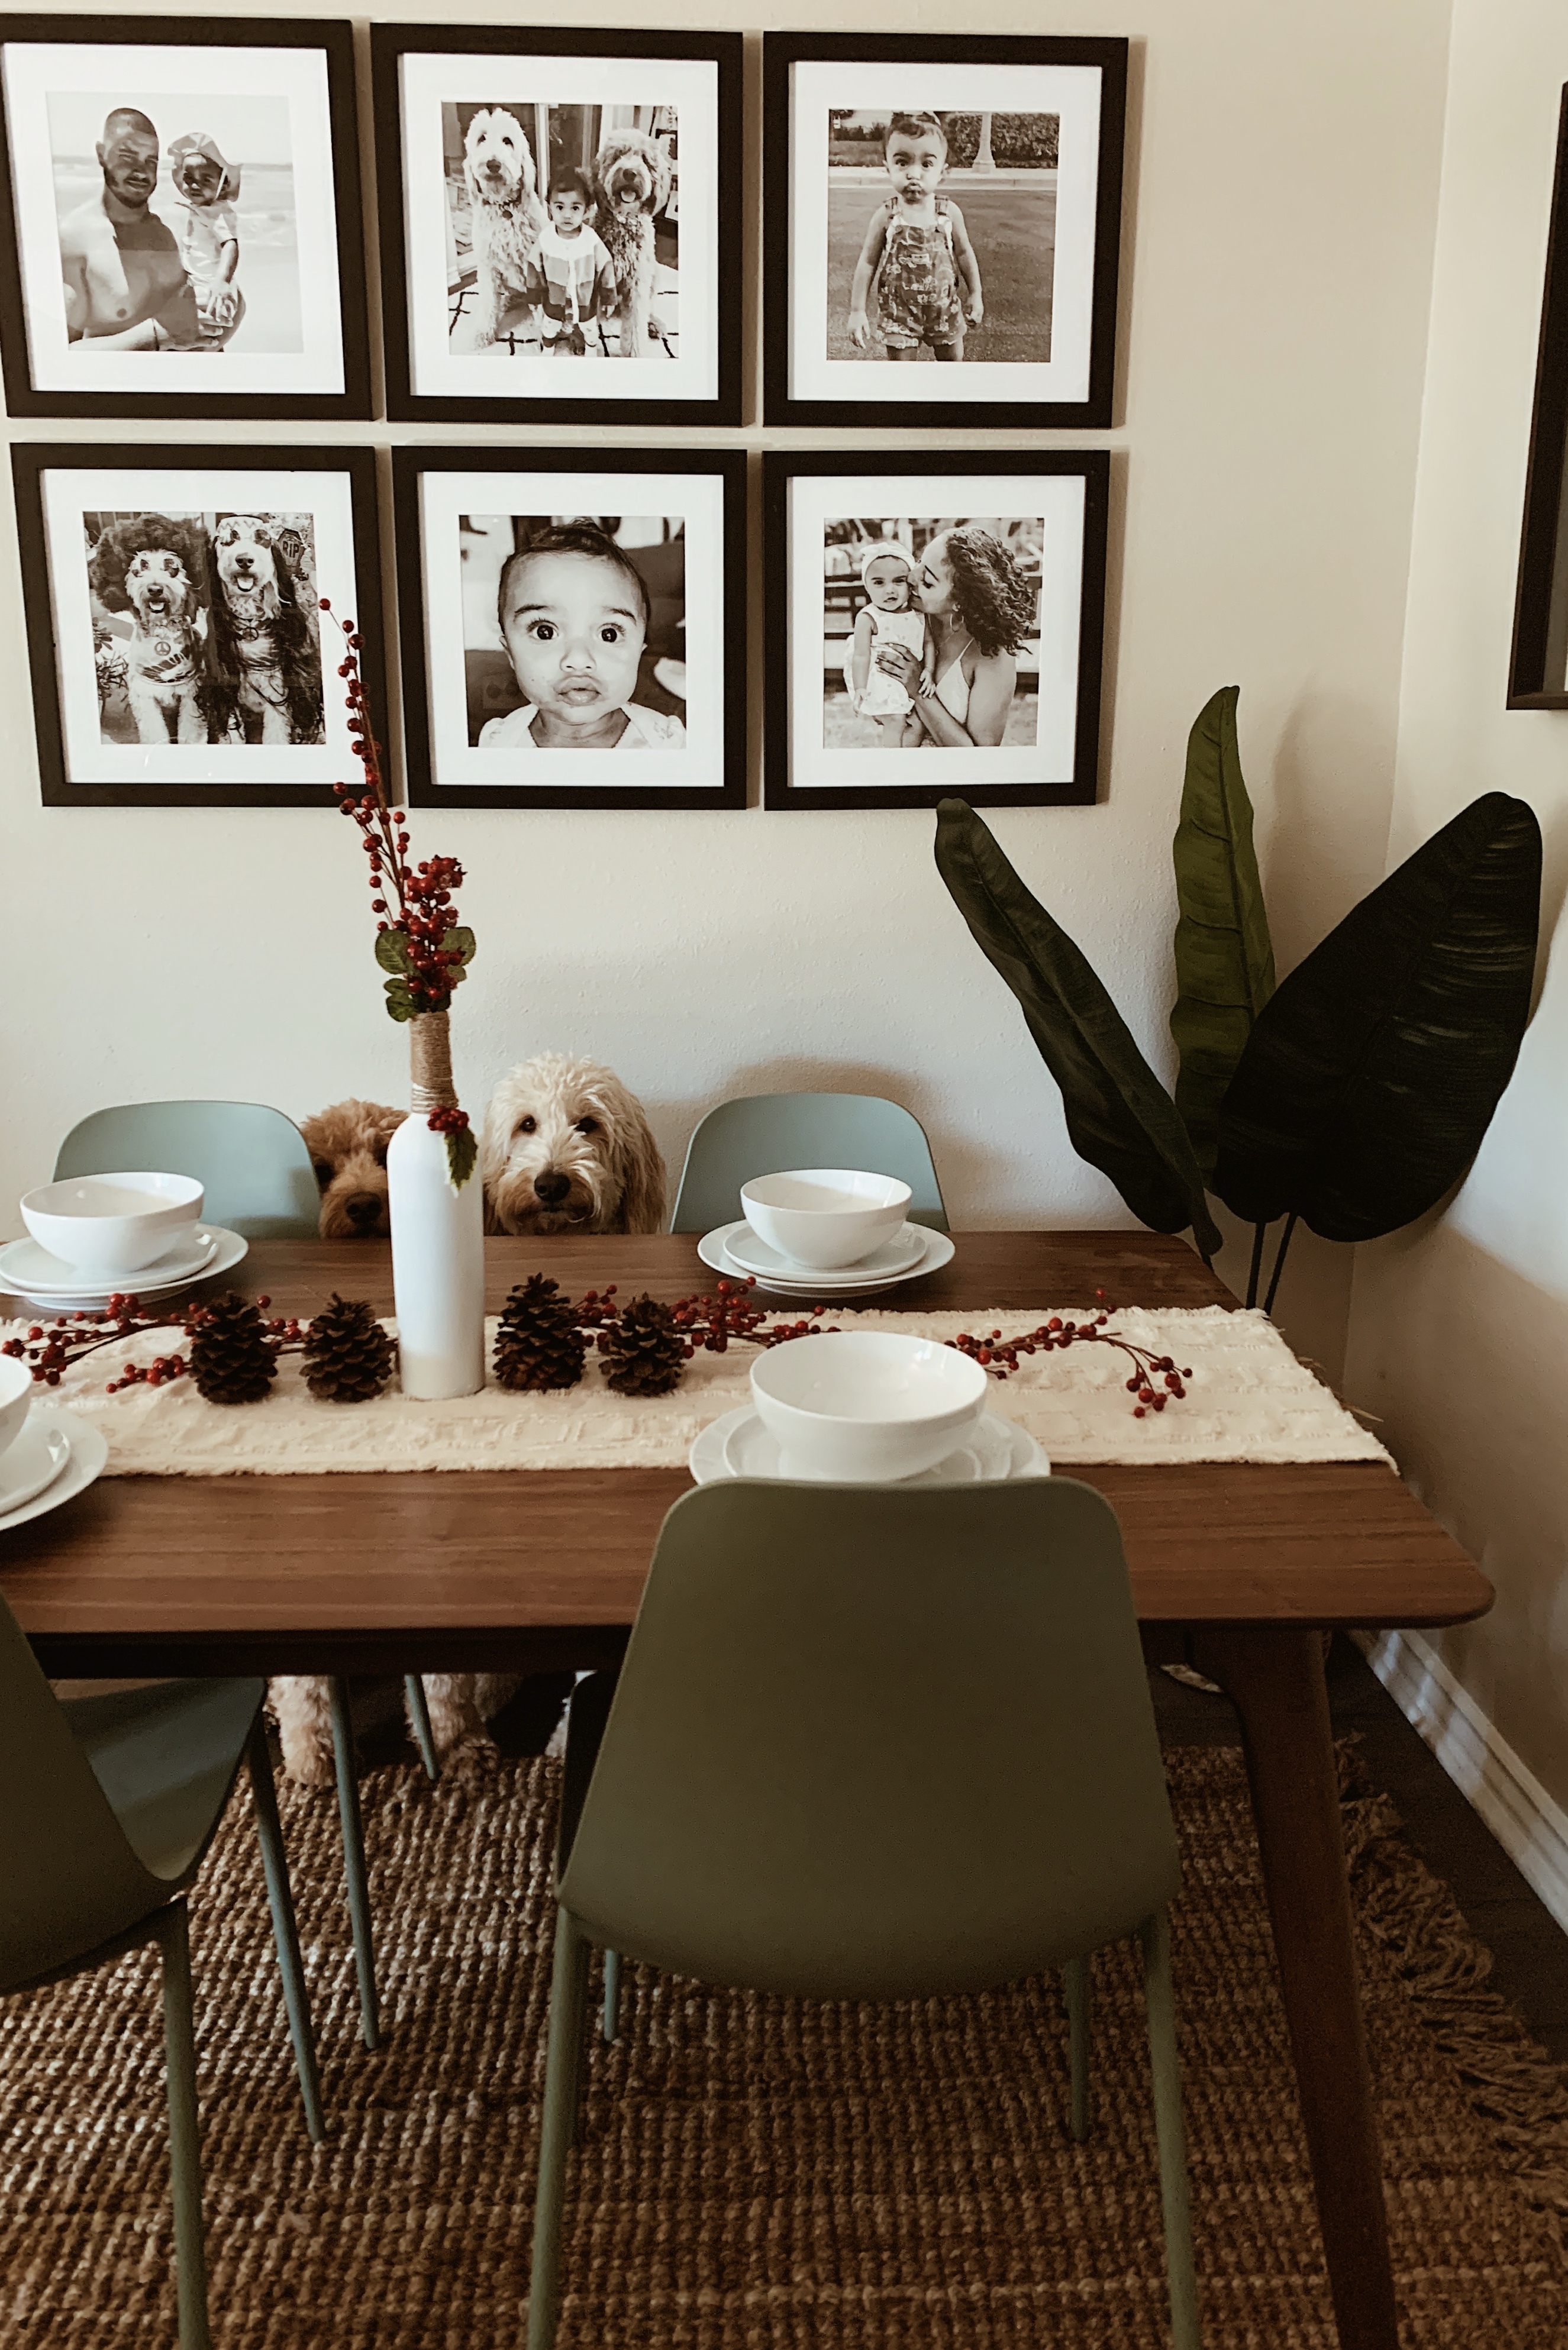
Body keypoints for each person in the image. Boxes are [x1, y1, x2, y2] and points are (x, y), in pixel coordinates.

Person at [479, 523, 686, 751]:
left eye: (609, 634)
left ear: (640, 651)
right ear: (510, 654)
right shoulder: (500, 742)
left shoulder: (666, 743)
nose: (578, 660)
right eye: (545, 632)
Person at [873, 525, 1035, 749]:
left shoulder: (993, 654)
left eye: (927, 582)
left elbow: (981, 757)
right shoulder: (909, 617)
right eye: (919, 562)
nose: (911, 577)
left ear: (960, 601)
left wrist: (919, 692)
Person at [59, 106, 201, 350]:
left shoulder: (177, 227)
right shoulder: (76, 238)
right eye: (128, 156)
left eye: (151, 161)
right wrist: (158, 336)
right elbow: (62, 357)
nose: (141, 171)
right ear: (102, 154)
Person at [845, 112, 982, 364]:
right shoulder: (887, 215)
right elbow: (867, 263)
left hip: (945, 311)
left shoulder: (948, 213)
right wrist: (857, 310)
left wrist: (976, 293)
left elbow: (964, 254)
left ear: (942, 173)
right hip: (899, 315)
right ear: (888, 168)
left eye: (926, 164)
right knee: (903, 376)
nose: (914, 174)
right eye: (903, 162)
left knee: (952, 369)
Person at [526, 167, 616, 357]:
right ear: (550, 208)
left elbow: (606, 266)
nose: (567, 215)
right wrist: (533, 297)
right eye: (560, 207)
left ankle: (591, 347)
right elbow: (534, 267)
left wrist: (609, 297)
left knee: (589, 327)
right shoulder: (546, 239)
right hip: (554, 297)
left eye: (575, 208)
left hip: (585, 299)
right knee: (550, 325)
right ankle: (548, 348)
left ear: (587, 210)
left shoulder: (591, 239)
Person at [165, 131, 244, 346]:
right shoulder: (200, 209)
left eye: (206, 180)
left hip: (212, 285)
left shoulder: (218, 212)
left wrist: (222, 281)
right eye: (189, 179)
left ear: (222, 185)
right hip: (197, 281)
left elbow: (230, 244)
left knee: (203, 332)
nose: (195, 185)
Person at [845, 541, 928, 744]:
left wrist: (930, 670)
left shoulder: (918, 615)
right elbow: (861, 655)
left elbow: (928, 642)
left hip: (910, 676)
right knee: (896, 720)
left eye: (899, 581)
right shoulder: (869, 617)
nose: (890, 590)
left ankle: (906, 754)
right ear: (867, 587)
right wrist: (860, 687)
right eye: (879, 583)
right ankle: (891, 755)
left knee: (917, 723)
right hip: (881, 676)